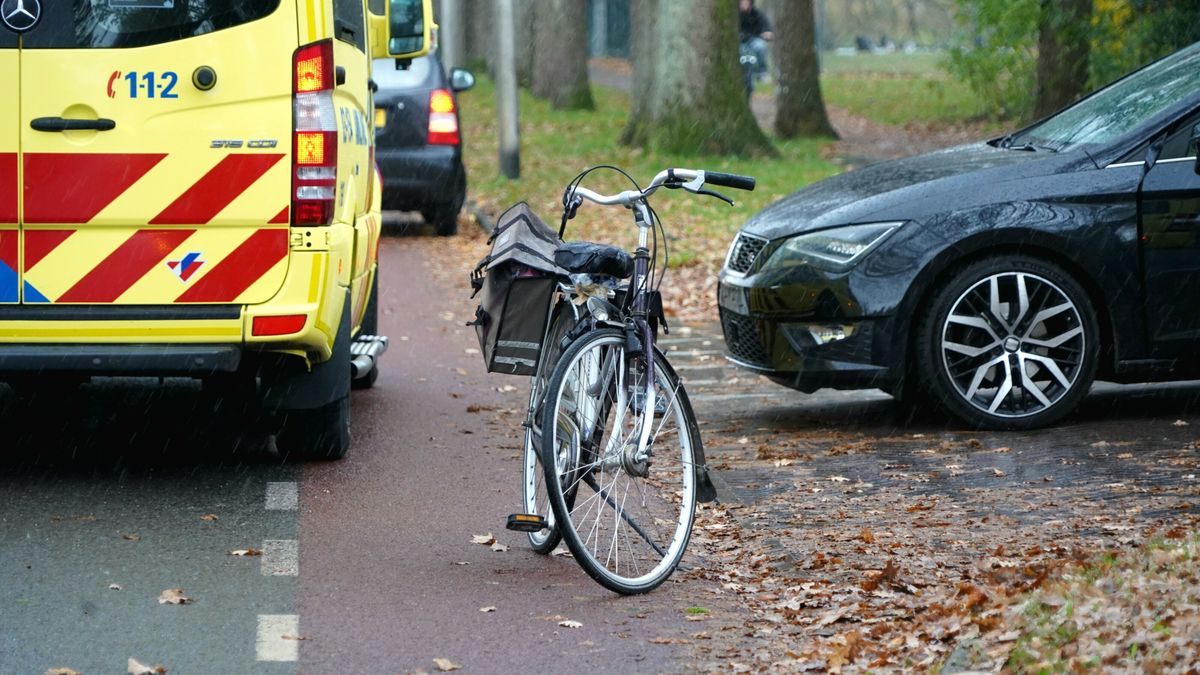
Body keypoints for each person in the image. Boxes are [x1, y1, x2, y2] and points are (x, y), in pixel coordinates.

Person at [738, 0, 773, 81]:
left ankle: (762, 71)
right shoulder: (735, 16)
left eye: (745, 2)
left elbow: (767, 27)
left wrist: (767, 33)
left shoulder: (757, 14)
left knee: (761, 47)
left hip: (754, 40)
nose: (743, 5)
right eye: (741, 2)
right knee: (741, 53)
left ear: (750, 4)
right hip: (740, 42)